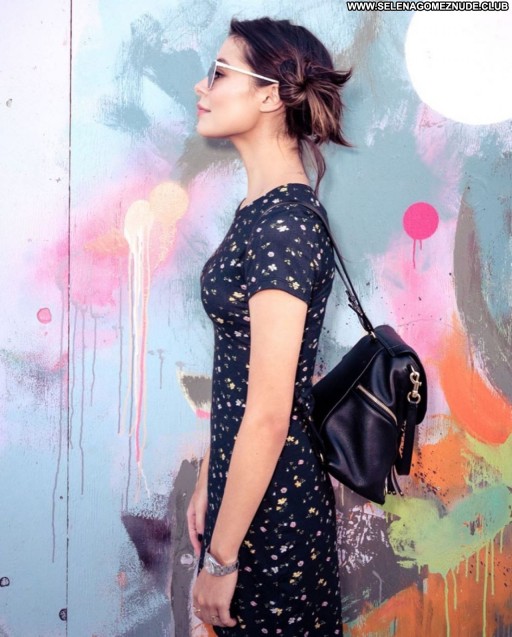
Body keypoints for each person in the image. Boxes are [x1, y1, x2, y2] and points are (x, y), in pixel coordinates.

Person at [187, 16, 351, 636]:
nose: (202, 88)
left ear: (269, 96)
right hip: (246, 497)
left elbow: (269, 413)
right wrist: (212, 475)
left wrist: (221, 561)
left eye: (219, 73)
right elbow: (241, 369)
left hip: (272, 517)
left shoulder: (283, 225)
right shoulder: (261, 210)